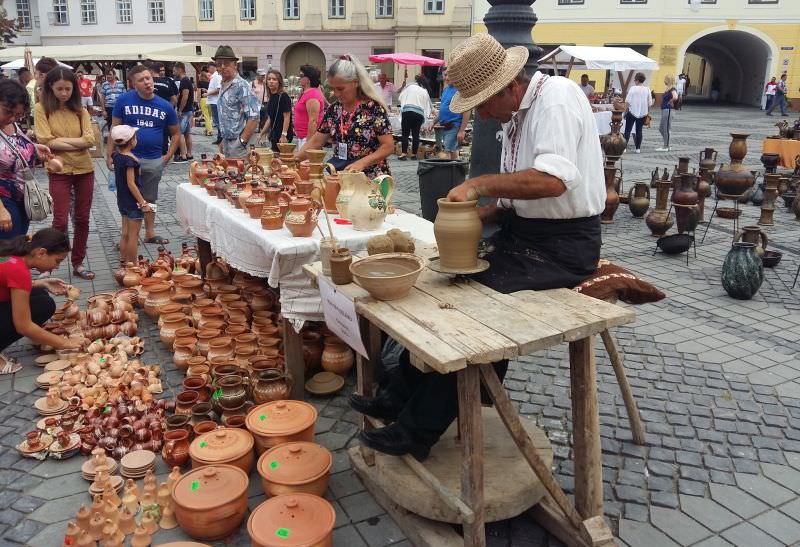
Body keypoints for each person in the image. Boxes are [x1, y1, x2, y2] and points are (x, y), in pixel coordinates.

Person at [350, 33, 605, 461]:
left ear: (510, 86)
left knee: (474, 307)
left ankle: (417, 429)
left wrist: (478, 183)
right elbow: (518, 199)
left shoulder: (556, 99)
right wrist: (481, 213)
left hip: (566, 246)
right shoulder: (515, 115)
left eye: (483, 103)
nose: (481, 115)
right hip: (526, 236)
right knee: (444, 287)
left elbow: (553, 181)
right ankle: (401, 397)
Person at [34, 68, 96, 280]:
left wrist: (58, 142)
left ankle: (78, 262)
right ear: (50, 87)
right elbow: (43, 140)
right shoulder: (42, 109)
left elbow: (90, 140)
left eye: (68, 88)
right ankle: (51, 264)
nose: (64, 93)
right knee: (59, 220)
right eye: (59, 88)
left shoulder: (81, 110)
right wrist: (76, 144)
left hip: (84, 169)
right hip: (58, 169)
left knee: (82, 218)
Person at [108, 64, 179, 246]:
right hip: (127, 158)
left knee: (150, 197)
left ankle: (149, 232)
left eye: (148, 78)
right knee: (127, 196)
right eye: (142, 80)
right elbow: (114, 129)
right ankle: (128, 236)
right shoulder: (124, 100)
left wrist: (168, 156)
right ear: (133, 84)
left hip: (154, 158)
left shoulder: (164, 105)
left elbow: (176, 133)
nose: (147, 82)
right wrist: (109, 155)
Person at [0, 228, 86, 373]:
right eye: (57, 261)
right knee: (44, 305)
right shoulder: (19, 270)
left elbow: (8, 282)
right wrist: (66, 343)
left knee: (40, 294)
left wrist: (43, 283)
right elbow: (23, 326)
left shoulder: (15, 252)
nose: (57, 267)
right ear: (41, 253)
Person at [297, 55, 393, 177]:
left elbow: (388, 146)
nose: (336, 93)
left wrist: (362, 163)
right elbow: (316, 141)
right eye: (333, 88)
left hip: (371, 179)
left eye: (340, 89)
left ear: (355, 83)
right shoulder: (334, 109)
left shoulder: (373, 108)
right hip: (341, 176)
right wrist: (293, 159)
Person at [0, 80, 53, 239]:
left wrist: (34, 149)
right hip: (4, 199)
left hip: (22, 197)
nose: (12, 118)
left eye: (17, 115)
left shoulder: (12, 124)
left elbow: (13, 147)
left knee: (18, 246)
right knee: (8, 253)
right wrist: (1, 209)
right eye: (8, 112)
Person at [111, 125, 150, 265]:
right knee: (133, 236)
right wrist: (142, 202)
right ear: (132, 141)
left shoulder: (116, 156)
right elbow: (131, 183)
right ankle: (133, 266)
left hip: (122, 201)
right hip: (133, 202)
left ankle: (123, 260)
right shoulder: (130, 161)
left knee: (125, 233)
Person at [213, 46, 260, 158]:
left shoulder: (242, 86)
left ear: (235, 65)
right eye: (219, 64)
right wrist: (223, 140)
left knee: (240, 173)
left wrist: (242, 141)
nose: (222, 67)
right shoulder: (223, 84)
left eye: (226, 63)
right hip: (227, 141)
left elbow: (254, 116)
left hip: (239, 143)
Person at [397, 74, 432, 161]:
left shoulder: (410, 87)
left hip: (407, 112)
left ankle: (404, 154)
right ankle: (414, 155)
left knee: (405, 134)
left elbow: (400, 97)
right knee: (415, 135)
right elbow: (428, 105)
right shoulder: (424, 91)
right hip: (419, 114)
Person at [257, 70, 293, 153]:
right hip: (274, 134)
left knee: (284, 160)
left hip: (283, 135)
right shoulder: (272, 97)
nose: (271, 81)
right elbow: (270, 119)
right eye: (269, 79)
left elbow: (287, 117)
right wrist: (261, 133)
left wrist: (284, 134)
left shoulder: (283, 96)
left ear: (279, 82)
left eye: (274, 79)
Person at [438, 69, 471, 160]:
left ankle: (444, 171)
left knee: (445, 151)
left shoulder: (460, 91)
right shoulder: (445, 90)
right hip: (444, 126)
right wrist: (433, 122)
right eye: (444, 75)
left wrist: (462, 131)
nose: (446, 78)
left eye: (449, 75)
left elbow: (467, 111)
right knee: (452, 151)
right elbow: (442, 109)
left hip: (453, 125)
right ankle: (456, 171)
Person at [293, 65, 324, 149]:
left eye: (302, 76)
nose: (299, 78)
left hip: (308, 138)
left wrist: (308, 143)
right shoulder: (305, 93)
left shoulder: (312, 94)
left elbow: (313, 121)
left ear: (309, 79)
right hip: (302, 137)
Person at [623, 72, 653, 155]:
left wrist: (625, 111)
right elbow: (650, 103)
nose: (634, 81)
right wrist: (647, 112)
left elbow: (627, 101)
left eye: (635, 79)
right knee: (639, 130)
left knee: (627, 130)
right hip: (643, 113)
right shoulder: (647, 89)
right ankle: (638, 148)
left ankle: (624, 148)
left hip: (632, 111)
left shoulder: (633, 88)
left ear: (637, 80)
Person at [173, 62, 194, 163]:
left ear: (179, 69)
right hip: (188, 110)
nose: (173, 73)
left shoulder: (184, 81)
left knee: (179, 133)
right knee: (187, 133)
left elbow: (185, 97)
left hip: (185, 111)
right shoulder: (186, 80)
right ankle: (189, 154)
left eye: (174, 70)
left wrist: (180, 110)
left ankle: (183, 155)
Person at [656, 75, 678, 152]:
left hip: (668, 110)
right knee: (661, 128)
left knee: (666, 128)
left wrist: (670, 101)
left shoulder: (672, 89)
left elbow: (675, 97)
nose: (664, 81)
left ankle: (666, 146)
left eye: (665, 79)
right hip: (665, 110)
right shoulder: (668, 89)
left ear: (668, 80)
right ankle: (667, 143)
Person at [206, 62, 223, 144]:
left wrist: (207, 93)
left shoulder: (217, 77)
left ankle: (221, 137)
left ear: (213, 68)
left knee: (217, 121)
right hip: (213, 101)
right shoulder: (214, 77)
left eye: (209, 68)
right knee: (216, 121)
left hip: (215, 102)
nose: (208, 70)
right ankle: (220, 137)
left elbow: (218, 89)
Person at [196, 65, 214, 137]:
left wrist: (198, 101)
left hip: (203, 99)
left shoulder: (199, 82)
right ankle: (207, 129)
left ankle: (210, 131)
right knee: (209, 116)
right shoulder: (209, 83)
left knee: (206, 116)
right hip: (210, 99)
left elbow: (198, 93)